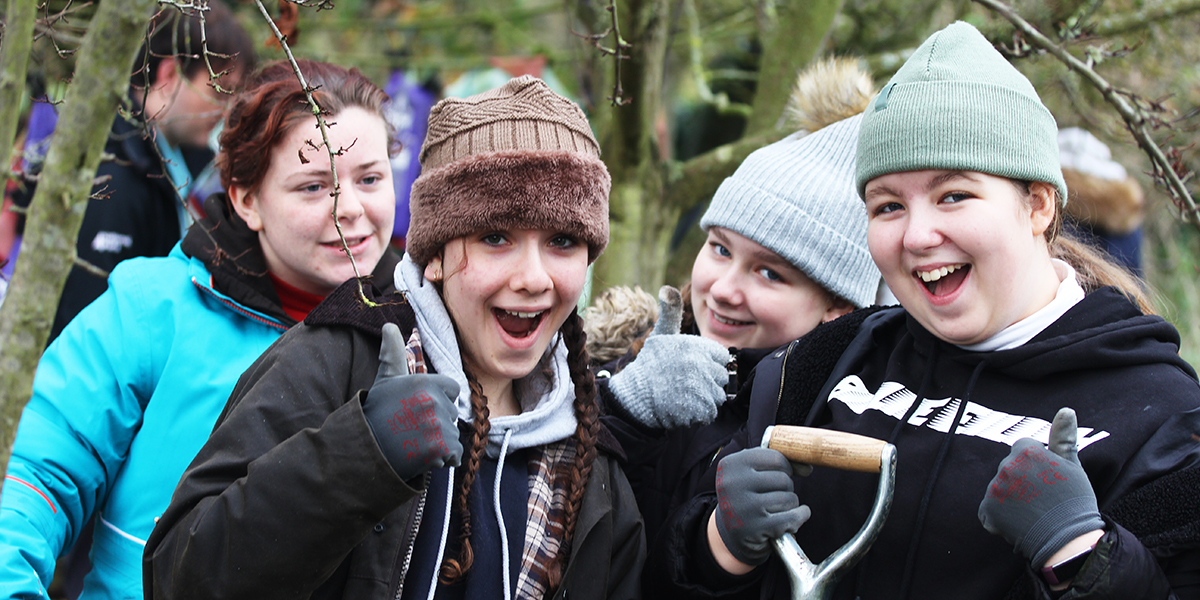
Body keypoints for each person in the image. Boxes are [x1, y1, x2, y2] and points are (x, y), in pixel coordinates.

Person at [646, 21, 1200, 600]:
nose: (916, 236)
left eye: (952, 195)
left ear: (1036, 205)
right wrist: (717, 546)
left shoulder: (1163, 418)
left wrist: (1080, 557)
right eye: (888, 206)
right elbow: (660, 582)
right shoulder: (821, 362)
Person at [144, 75, 644, 600]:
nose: (534, 277)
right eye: (496, 238)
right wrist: (360, 456)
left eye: (563, 241)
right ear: (434, 255)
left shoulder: (589, 450)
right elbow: (178, 575)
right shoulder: (336, 360)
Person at [0, 59, 400, 600]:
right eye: (313, 187)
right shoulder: (154, 309)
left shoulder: (426, 327)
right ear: (247, 199)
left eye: (370, 178)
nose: (350, 208)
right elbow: (33, 474)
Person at [589, 57, 883, 548]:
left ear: (839, 308)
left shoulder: (839, 428)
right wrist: (621, 411)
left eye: (769, 272)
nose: (724, 288)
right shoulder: (631, 363)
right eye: (720, 248)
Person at [13, 2, 257, 343]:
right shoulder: (112, 173)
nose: (225, 109)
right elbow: (88, 322)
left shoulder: (169, 159)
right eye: (218, 88)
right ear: (169, 75)